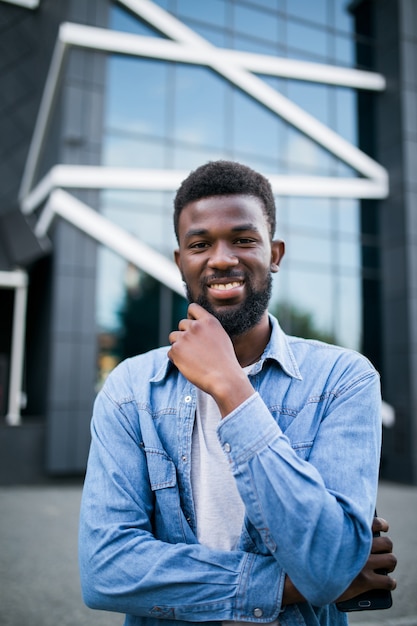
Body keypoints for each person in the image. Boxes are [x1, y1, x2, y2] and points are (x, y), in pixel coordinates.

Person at [79, 160, 396, 626]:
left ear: (275, 254)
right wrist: (288, 586)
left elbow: (329, 564)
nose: (222, 258)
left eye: (244, 240)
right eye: (200, 244)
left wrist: (231, 387)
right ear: (180, 261)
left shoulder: (345, 379)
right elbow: (106, 571)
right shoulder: (129, 389)